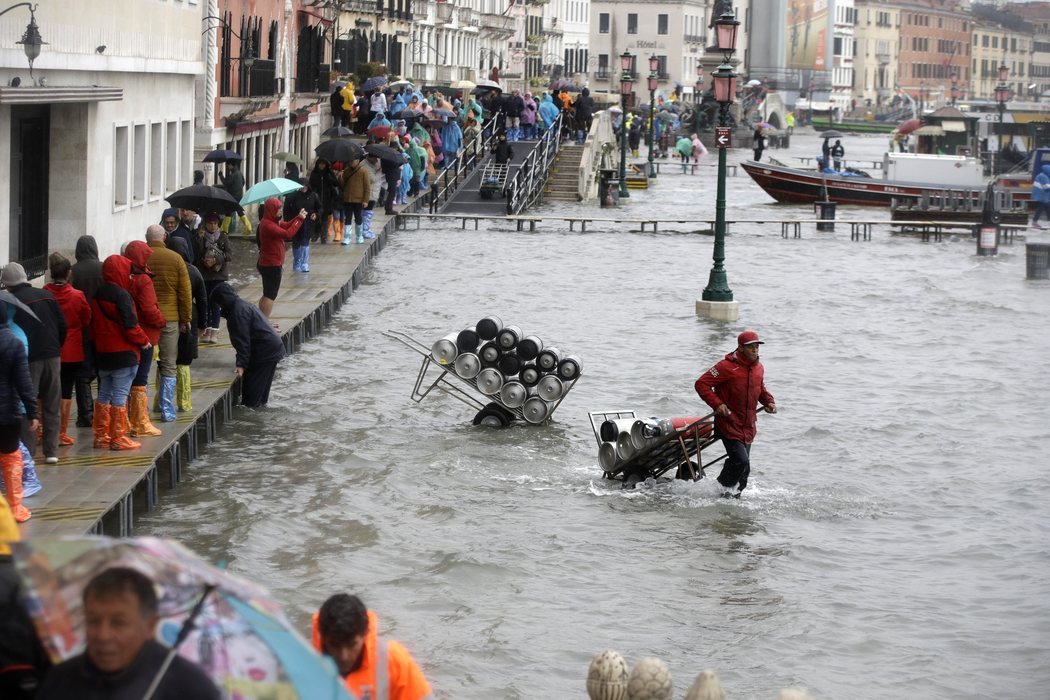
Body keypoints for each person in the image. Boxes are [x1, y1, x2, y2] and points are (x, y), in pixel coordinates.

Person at [35, 567, 220, 699]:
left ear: (149, 625)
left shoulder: (192, 688)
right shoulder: (59, 680)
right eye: (93, 621)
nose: (103, 635)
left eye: (118, 623)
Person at [694, 330, 777, 498]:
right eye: (751, 346)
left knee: (744, 469)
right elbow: (701, 384)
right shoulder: (725, 367)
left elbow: (760, 389)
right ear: (740, 348)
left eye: (757, 346)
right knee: (741, 461)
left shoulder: (758, 368)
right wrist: (718, 404)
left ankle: (733, 499)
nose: (755, 350)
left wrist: (768, 401)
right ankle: (720, 492)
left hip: (748, 426)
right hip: (728, 423)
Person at [1, 262, 66, 466]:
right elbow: (62, 324)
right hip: (53, 355)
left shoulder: (11, 301)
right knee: (51, 404)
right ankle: (51, 451)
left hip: (30, 358)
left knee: (25, 405)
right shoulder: (47, 295)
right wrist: (56, 346)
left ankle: (28, 453)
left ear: (7, 283)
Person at [311, 593, 433, 700]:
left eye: (352, 644)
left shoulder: (393, 660)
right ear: (322, 636)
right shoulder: (302, 662)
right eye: (334, 645)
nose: (344, 656)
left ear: (365, 633)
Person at [90, 256, 153, 451]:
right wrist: (144, 341)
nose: (130, 275)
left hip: (103, 352)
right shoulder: (123, 296)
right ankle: (118, 437)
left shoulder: (97, 293)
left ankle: (101, 435)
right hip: (123, 353)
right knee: (119, 394)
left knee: (103, 393)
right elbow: (130, 325)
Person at [209, 283, 285, 408]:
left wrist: (241, 365)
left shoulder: (237, 313)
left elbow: (243, 342)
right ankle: (260, 407)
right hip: (272, 348)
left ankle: (253, 415)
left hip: (264, 352)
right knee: (262, 394)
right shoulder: (243, 305)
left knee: (250, 399)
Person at [43, 253, 91, 448]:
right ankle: (61, 432)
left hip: (50, 346)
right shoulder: (77, 296)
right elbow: (86, 319)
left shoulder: (45, 293)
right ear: (69, 273)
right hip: (72, 348)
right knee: (66, 390)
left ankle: (43, 430)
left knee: (45, 389)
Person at [145, 225, 192, 423]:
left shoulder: (141, 257)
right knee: (169, 364)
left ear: (146, 238)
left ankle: (138, 411)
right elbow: (184, 292)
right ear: (164, 237)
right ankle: (167, 410)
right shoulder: (176, 259)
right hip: (170, 318)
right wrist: (186, 318)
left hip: (146, 319)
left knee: (142, 366)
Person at [0, 298, 39, 523]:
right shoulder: (14, 343)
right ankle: (15, 507)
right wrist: (33, 412)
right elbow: (24, 383)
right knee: (11, 457)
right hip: (8, 414)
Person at [122, 241, 166, 438]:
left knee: (126, 379)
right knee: (141, 378)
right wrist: (162, 320)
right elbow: (149, 309)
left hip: (128, 334)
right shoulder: (143, 280)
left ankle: (124, 421)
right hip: (146, 334)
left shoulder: (124, 277)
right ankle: (140, 421)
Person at [164, 237, 208, 413]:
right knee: (183, 360)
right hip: (189, 317)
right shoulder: (194, 271)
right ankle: (184, 402)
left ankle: (161, 402)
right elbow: (203, 299)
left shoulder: (163, 269)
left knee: (165, 361)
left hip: (167, 317)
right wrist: (204, 323)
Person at [71, 235, 103, 428]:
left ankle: (86, 415)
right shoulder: (102, 269)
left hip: (81, 329)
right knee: (103, 372)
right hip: (101, 327)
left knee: (82, 375)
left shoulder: (73, 272)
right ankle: (103, 411)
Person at [257, 197, 305, 320]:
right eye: (278, 209)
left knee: (267, 294)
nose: (280, 212)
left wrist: (298, 217)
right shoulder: (268, 225)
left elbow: (287, 225)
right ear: (271, 210)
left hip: (269, 263)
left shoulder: (271, 221)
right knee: (270, 295)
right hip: (271, 264)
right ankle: (264, 324)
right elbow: (287, 234)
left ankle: (261, 320)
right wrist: (300, 220)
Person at [193, 213, 232, 343]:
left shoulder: (223, 237)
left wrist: (215, 260)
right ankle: (206, 330)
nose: (213, 226)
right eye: (210, 223)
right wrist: (199, 239)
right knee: (205, 303)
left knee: (215, 303)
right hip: (204, 275)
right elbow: (197, 254)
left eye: (215, 223)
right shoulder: (201, 237)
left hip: (218, 275)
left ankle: (214, 330)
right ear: (205, 224)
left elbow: (229, 255)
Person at [284, 179, 320, 271]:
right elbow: (287, 210)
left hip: (308, 223)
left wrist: (316, 214)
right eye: (301, 186)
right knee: (296, 243)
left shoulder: (313, 196)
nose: (303, 188)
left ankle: (304, 263)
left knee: (305, 242)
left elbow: (320, 208)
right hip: (295, 223)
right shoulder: (293, 197)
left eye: (305, 186)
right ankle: (297, 262)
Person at [339, 156, 372, 245]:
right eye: (350, 161)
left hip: (358, 200)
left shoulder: (363, 171)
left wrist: (366, 200)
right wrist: (340, 177)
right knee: (348, 218)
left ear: (357, 161)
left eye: (352, 161)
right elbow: (342, 186)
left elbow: (367, 187)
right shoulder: (346, 170)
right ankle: (347, 237)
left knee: (358, 218)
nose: (351, 162)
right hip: (348, 199)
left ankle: (359, 236)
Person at [309, 158, 341, 244]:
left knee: (324, 218)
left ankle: (324, 235)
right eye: (320, 164)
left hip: (327, 199)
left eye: (323, 164)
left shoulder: (329, 173)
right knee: (316, 217)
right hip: (317, 199)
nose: (322, 166)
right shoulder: (314, 173)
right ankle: (316, 234)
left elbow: (336, 184)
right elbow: (310, 185)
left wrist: (331, 179)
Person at [1030, 164, 1050, 229]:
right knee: (1041, 208)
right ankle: (1034, 222)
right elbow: (1046, 187)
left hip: (1041, 195)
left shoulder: (1042, 175)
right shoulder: (1044, 177)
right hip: (1042, 196)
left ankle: (1035, 222)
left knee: (1047, 208)